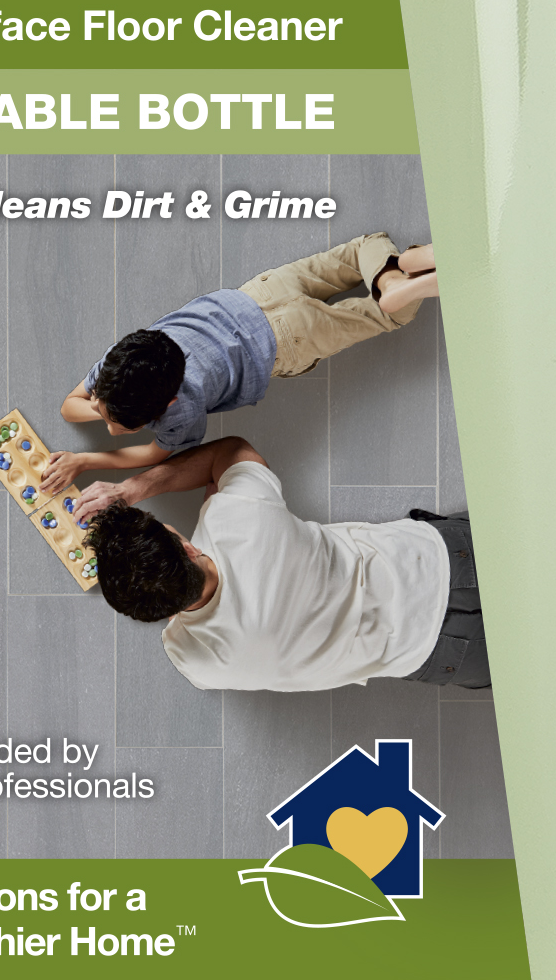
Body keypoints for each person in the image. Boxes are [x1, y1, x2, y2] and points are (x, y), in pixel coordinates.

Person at [40, 235, 438, 500]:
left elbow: (151, 455)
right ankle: (397, 269)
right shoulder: (122, 359)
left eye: (120, 426)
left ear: (168, 404)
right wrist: (105, 409)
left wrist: (87, 459)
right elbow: (70, 407)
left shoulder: (182, 412)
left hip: (288, 341)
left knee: (391, 315)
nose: (109, 429)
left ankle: (395, 296)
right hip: (259, 294)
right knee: (361, 248)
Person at [87, 433, 490, 693]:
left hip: (445, 654)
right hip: (441, 558)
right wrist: (131, 489)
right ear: (189, 549)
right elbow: (232, 452)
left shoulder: (193, 660)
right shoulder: (237, 518)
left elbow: (188, 622)